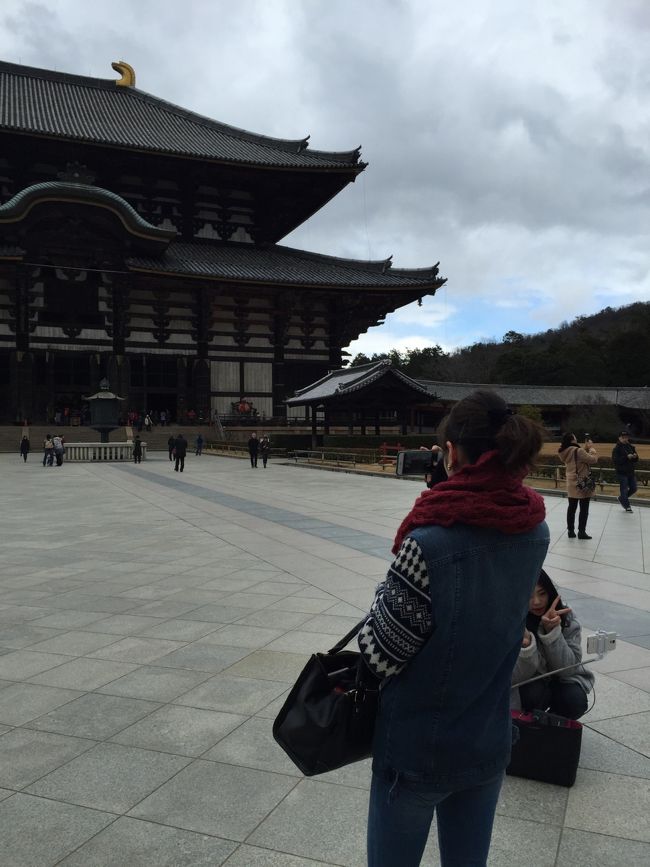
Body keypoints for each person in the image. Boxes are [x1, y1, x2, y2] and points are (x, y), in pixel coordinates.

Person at [358, 389, 549, 867]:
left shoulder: (427, 542)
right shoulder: (534, 528)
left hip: (417, 749)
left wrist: (386, 592)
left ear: (451, 453)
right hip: (488, 738)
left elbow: (380, 655)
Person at [512, 569, 593, 719]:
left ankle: (554, 723)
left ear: (550, 592)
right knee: (532, 694)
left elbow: (568, 669)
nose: (537, 601)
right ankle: (532, 722)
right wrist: (527, 647)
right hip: (530, 682)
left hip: (561, 679)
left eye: (542, 593)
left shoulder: (564, 615)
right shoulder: (514, 620)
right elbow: (516, 676)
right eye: (529, 596)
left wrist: (552, 632)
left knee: (574, 700)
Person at [558, 433, 598, 539]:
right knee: (584, 508)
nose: (576, 438)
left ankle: (570, 531)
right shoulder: (578, 451)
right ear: (572, 440)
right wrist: (592, 451)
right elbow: (593, 460)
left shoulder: (563, 451)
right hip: (582, 482)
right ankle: (581, 532)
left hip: (571, 481)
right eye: (575, 437)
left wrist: (585, 449)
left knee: (571, 507)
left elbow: (577, 458)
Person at [612, 430, 638, 513]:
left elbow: (636, 460)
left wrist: (635, 456)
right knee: (624, 489)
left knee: (634, 488)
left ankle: (622, 498)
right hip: (621, 473)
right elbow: (616, 461)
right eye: (623, 437)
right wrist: (626, 457)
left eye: (626, 437)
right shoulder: (616, 449)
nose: (625, 439)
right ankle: (627, 506)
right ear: (619, 438)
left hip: (631, 472)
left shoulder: (630, 446)